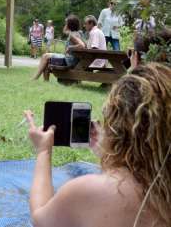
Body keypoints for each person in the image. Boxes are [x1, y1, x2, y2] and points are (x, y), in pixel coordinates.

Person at [24, 62, 171, 227]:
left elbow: (40, 219)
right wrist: (110, 155)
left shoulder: (88, 192)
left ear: (117, 128)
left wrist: (44, 151)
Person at [33, 15, 85, 81]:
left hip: (69, 60)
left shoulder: (72, 35)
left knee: (45, 56)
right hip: (72, 60)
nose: (65, 25)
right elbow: (64, 31)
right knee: (47, 61)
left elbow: (82, 45)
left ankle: (35, 78)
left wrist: (70, 47)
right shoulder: (78, 33)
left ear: (70, 25)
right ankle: (45, 82)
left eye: (66, 23)